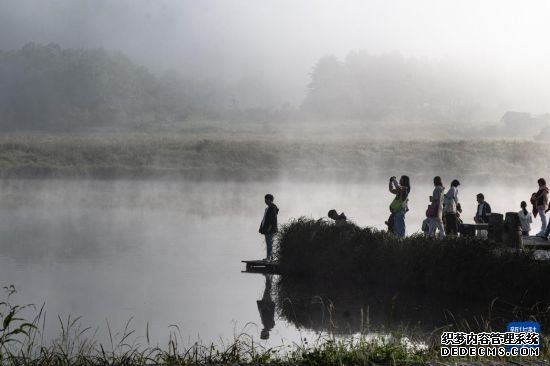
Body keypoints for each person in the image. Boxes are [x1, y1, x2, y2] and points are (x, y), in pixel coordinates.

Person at [259, 194, 279, 261]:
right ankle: (270, 257)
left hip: (270, 230)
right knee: (269, 244)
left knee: (269, 244)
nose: (265, 201)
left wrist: (268, 229)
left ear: (271, 200)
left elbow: (272, 220)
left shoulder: (272, 208)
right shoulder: (270, 207)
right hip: (269, 229)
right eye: (265, 199)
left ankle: (269, 258)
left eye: (267, 199)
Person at [256, 274, 275, 340]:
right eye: (262, 334)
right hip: (266, 304)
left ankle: (269, 277)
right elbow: (268, 314)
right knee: (267, 290)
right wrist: (265, 305)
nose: (261, 332)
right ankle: (268, 276)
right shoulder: (267, 325)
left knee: (267, 290)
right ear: (265, 333)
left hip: (267, 305)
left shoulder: (269, 326)